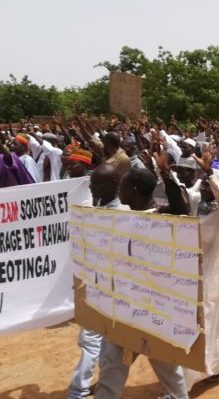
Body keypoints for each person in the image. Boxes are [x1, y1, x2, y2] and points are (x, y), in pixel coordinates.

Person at [95, 164, 190, 399]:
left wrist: (166, 176)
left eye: (123, 186)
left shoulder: (160, 216)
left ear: (134, 190)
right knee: (111, 370)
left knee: (170, 373)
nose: (119, 190)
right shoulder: (123, 217)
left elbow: (182, 209)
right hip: (126, 309)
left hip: (154, 314)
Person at [182, 147, 219, 388]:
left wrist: (210, 174)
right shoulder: (199, 204)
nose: (204, 187)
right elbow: (181, 192)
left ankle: (195, 376)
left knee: (209, 320)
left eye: (208, 185)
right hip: (195, 271)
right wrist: (163, 171)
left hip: (214, 274)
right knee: (206, 322)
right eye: (204, 184)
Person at [68, 164, 125, 399]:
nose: (91, 187)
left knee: (100, 343)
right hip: (94, 287)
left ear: (114, 184)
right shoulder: (95, 208)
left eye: (97, 183)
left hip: (112, 291)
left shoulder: (122, 215)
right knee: (96, 342)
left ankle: (78, 391)